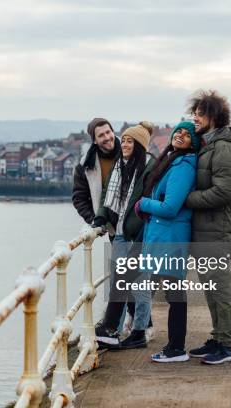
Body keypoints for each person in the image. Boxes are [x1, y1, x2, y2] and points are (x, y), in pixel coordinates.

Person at [126, 121, 200, 359]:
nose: (180, 134)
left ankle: (175, 347)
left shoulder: (184, 165)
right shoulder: (173, 160)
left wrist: (142, 204)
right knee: (162, 290)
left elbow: (170, 207)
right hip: (162, 237)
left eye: (187, 134)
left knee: (173, 294)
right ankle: (152, 336)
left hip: (170, 238)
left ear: (193, 143)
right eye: (178, 130)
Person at [184, 90, 231, 365]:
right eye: (193, 113)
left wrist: (187, 200)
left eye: (199, 113)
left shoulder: (224, 147)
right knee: (210, 287)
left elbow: (223, 191)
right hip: (206, 229)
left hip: (217, 230)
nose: (194, 118)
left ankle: (226, 346)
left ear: (213, 116)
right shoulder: (208, 145)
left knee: (219, 288)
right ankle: (217, 337)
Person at [92, 122, 156, 348]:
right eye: (124, 140)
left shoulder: (150, 167)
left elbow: (150, 202)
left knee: (140, 285)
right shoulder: (119, 166)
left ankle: (140, 330)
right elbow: (104, 197)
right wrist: (101, 216)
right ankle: (113, 331)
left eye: (129, 141)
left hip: (138, 234)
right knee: (118, 283)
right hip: (118, 233)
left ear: (139, 145)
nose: (124, 144)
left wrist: (142, 233)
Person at [72, 118, 121, 226]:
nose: (107, 137)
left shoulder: (129, 151)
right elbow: (79, 198)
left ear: (113, 132)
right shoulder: (85, 166)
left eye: (108, 132)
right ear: (94, 141)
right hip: (113, 228)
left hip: (137, 224)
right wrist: (94, 219)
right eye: (101, 135)